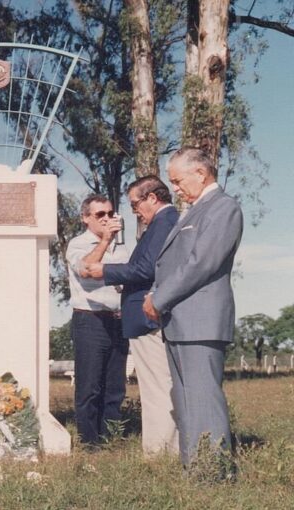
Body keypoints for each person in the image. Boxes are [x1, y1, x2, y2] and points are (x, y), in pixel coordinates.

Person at [143, 147, 243, 468]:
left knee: (203, 401)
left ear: (200, 174)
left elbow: (201, 264)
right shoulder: (196, 209)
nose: (174, 189)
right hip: (180, 322)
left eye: (177, 180)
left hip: (201, 321)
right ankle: (196, 473)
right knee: (187, 404)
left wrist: (158, 298)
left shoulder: (223, 208)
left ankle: (213, 473)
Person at [85, 176, 179, 456]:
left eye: (135, 203)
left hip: (147, 315)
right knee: (159, 386)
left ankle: (159, 453)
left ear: (152, 198)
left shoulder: (163, 223)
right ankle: (164, 449)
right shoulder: (163, 223)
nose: (134, 211)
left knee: (156, 389)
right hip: (148, 314)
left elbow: (147, 269)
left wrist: (106, 272)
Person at [65, 195, 130, 446]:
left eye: (110, 214)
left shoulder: (122, 246)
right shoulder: (78, 244)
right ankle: (89, 443)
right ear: (85, 218)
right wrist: (104, 241)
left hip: (117, 320)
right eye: (99, 215)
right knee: (89, 386)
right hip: (90, 321)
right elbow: (85, 270)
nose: (106, 219)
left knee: (115, 386)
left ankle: (111, 439)